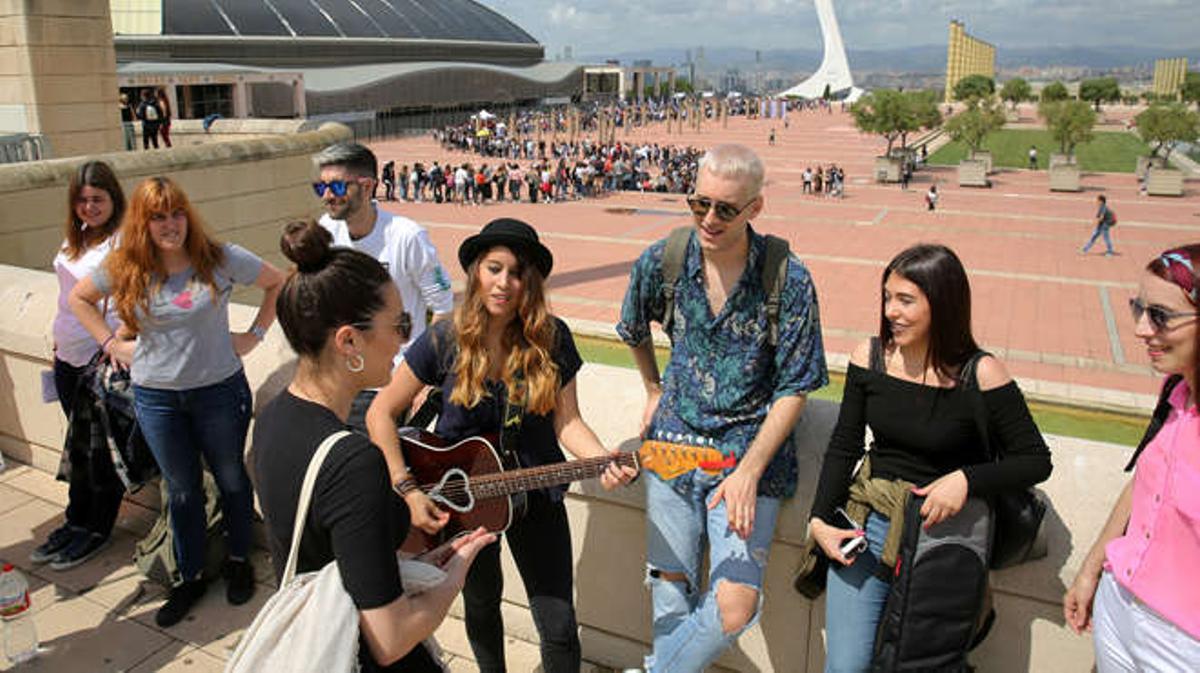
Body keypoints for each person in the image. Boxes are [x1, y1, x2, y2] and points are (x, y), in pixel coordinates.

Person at [366, 218, 638, 673]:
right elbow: (380, 413)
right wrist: (408, 488)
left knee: (558, 622)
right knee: (482, 606)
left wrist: (600, 459)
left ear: (529, 282)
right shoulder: (445, 338)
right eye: (494, 268)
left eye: (516, 273)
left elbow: (567, 421)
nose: (504, 283)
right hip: (462, 498)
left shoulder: (552, 338)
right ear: (476, 272)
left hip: (536, 491)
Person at [617, 144, 828, 672]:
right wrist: (651, 387)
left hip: (744, 459)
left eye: (726, 209)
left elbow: (796, 386)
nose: (709, 219)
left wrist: (750, 472)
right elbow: (632, 327)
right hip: (670, 449)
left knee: (736, 605)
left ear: (755, 208)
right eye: (699, 204)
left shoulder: (788, 279)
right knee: (670, 596)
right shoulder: (665, 259)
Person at [254, 219, 495, 673]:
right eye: (401, 324)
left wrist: (411, 562)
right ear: (349, 341)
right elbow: (390, 638)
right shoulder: (354, 461)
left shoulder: (273, 416)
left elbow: (328, 548)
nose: (407, 340)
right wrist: (452, 578)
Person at [809, 244, 1052, 673]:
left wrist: (965, 480)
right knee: (845, 667)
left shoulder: (982, 373)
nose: (890, 312)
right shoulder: (870, 358)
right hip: (866, 529)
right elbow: (845, 444)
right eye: (887, 297)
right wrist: (819, 521)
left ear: (943, 304)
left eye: (905, 300)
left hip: (942, 541)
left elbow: (1034, 459)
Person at [68, 176, 284, 627]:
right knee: (181, 489)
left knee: (231, 479)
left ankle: (239, 560)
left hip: (219, 391)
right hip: (157, 396)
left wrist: (255, 335)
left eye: (177, 213)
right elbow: (80, 298)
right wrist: (111, 343)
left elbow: (276, 283)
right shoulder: (126, 265)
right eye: (158, 217)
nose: (171, 225)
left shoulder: (219, 258)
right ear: (142, 224)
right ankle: (189, 576)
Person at [1063, 245, 1200, 671]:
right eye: (1139, 308)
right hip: (1119, 606)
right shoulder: (1174, 393)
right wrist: (1091, 569)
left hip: (1185, 642)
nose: (1142, 329)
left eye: (1160, 315)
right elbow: (1144, 484)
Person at [313, 142, 454, 430]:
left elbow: (443, 309)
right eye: (321, 187)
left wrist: (424, 377)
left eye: (337, 188)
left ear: (367, 187)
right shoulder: (326, 229)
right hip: (338, 376)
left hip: (389, 380)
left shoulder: (407, 236)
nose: (327, 196)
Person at [32, 160, 128, 570]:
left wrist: (116, 340)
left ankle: (95, 527)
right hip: (67, 356)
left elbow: (135, 299)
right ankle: (75, 520)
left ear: (113, 199)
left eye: (98, 199)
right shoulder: (78, 240)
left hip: (97, 359)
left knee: (99, 452)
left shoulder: (122, 242)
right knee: (78, 448)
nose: (89, 207)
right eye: (82, 200)